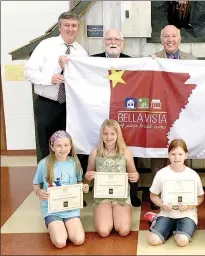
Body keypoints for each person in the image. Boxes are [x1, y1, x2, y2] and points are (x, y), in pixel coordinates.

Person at [78, 28, 142, 207]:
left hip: (125, 115)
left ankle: (132, 192)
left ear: (122, 43)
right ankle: (88, 190)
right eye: (109, 39)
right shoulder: (91, 61)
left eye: (117, 39)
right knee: (92, 150)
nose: (113, 42)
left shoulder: (133, 62)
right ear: (104, 41)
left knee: (128, 152)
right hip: (98, 114)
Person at [24, 12, 88, 162]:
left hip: (71, 107)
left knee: (68, 144)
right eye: (66, 25)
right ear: (60, 27)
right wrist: (50, 78)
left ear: (78, 28)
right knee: (47, 144)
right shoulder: (46, 46)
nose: (70, 29)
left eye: (74, 26)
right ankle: (47, 179)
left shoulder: (82, 53)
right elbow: (28, 72)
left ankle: (67, 179)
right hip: (47, 104)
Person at [149, 24, 198, 210]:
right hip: (160, 112)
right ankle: (158, 196)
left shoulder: (192, 60)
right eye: (166, 37)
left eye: (174, 36)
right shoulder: (152, 60)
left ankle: (186, 194)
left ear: (180, 39)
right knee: (157, 153)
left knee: (182, 151)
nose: (170, 40)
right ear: (161, 40)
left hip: (183, 114)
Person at [32, 130, 89, 249]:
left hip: (70, 208)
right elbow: (36, 184)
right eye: (58, 145)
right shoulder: (44, 163)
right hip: (52, 209)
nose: (63, 149)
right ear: (52, 147)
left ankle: (67, 225)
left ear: (70, 146)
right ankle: (54, 225)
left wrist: (83, 186)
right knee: (60, 242)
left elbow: (79, 181)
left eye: (66, 145)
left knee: (78, 240)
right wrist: (39, 192)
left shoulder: (75, 163)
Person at [85, 119, 139, 238]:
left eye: (112, 134)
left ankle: (117, 213)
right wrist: (88, 177)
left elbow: (134, 173)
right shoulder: (95, 153)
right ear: (101, 135)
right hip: (102, 195)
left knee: (124, 230)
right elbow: (87, 177)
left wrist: (135, 176)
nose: (109, 137)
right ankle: (105, 214)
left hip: (121, 195)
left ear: (117, 135)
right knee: (104, 231)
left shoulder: (126, 152)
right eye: (105, 134)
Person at [146, 139, 204, 247]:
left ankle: (175, 228)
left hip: (187, 214)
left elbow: (200, 197)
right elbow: (153, 196)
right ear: (168, 155)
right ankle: (157, 219)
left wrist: (189, 206)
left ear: (186, 155)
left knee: (182, 241)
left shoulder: (193, 175)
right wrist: (163, 205)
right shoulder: (161, 173)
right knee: (153, 240)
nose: (177, 158)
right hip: (167, 213)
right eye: (173, 154)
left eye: (180, 154)